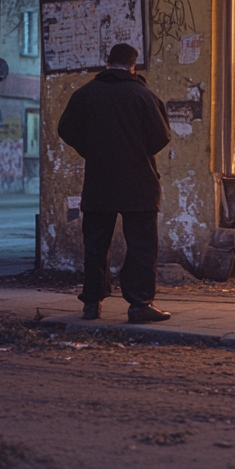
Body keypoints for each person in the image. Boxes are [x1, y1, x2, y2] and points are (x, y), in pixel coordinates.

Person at [58, 42, 173, 322]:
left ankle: (91, 304)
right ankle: (139, 305)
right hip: (139, 183)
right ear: (133, 65)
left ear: (108, 63)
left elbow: (66, 129)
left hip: (99, 182)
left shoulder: (85, 94)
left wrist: (91, 150)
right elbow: (162, 136)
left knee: (96, 244)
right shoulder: (144, 96)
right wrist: (137, 151)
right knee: (142, 245)